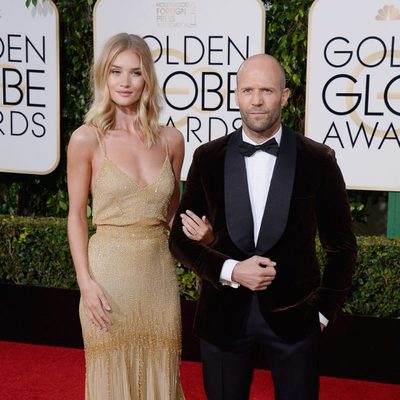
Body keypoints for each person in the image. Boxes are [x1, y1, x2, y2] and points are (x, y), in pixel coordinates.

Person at [169, 54, 357, 400]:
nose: (257, 100)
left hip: (296, 320)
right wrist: (231, 270)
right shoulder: (208, 157)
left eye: (267, 90)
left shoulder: (317, 159)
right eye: (248, 90)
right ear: (237, 95)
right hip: (223, 318)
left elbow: (342, 246)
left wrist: (322, 313)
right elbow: (179, 239)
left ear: (284, 95)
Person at [67, 33, 186, 399]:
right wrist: (85, 282)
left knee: (162, 369)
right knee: (110, 375)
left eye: (135, 73)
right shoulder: (87, 139)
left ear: (147, 79)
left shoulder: (171, 140)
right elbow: (76, 217)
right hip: (106, 281)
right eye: (116, 71)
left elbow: (173, 215)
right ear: (104, 76)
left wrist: (205, 236)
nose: (124, 81)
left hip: (158, 279)